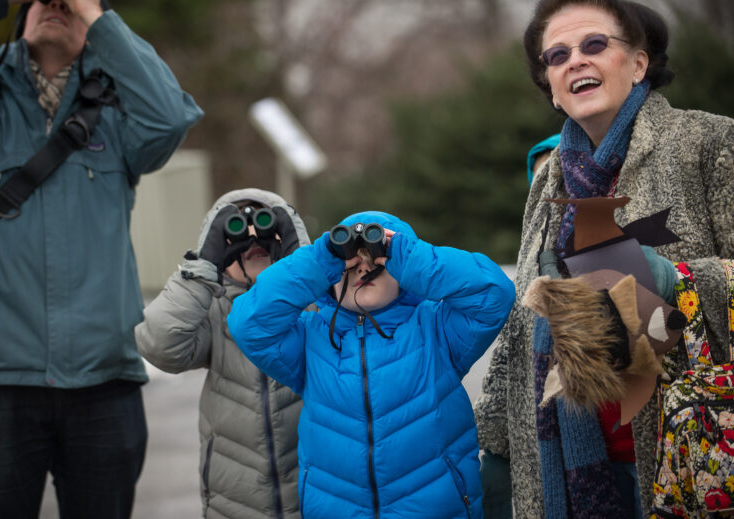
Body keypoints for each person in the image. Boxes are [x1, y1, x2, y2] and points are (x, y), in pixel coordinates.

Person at [473, 0, 734, 517]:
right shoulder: (550, 181)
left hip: (690, 459)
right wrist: (499, 452)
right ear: (550, 85)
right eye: (557, 55)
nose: (575, 61)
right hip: (572, 469)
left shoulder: (709, 143)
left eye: (594, 45)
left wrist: (668, 279)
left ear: (639, 64)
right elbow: (522, 331)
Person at [0, 1, 203, 517]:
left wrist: (95, 15)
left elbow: (170, 116)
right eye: (43, 3)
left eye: (68, 5)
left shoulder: (118, 119)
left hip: (104, 382)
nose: (56, 7)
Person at [226, 210, 515, 518]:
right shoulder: (311, 338)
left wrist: (404, 254)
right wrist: (321, 260)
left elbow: (494, 294)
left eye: (375, 258)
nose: (362, 266)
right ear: (328, 282)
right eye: (349, 262)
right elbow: (248, 324)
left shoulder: (435, 329)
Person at [136, 188, 308, 519]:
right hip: (235, 500)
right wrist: (201, 268)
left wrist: (303, 262)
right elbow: (159, 345)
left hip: (314, 496)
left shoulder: (311, 301)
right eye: (236, 231)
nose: (253, 239)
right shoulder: (211, 310)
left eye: (267, 227)